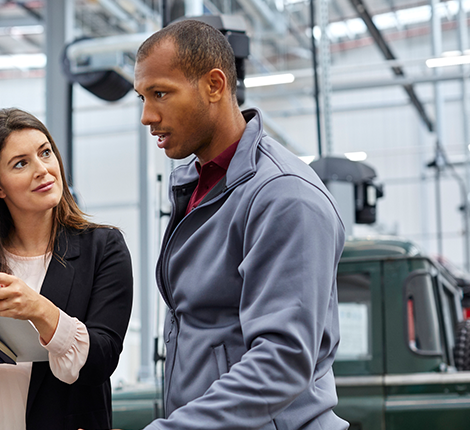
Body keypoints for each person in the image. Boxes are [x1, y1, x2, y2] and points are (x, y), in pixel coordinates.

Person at [132, 20, 347, 430]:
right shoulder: (196, 184)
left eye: (160, 94)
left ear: (214, 85)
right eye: (142, 97)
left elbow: (281, 361)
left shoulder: (284, 197)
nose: (147, 116)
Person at [0, 107, 134, 430]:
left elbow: (101, 360)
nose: (43, 170)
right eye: (21, 163)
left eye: (45, 153)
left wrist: (40, 310)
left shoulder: (103, 248)